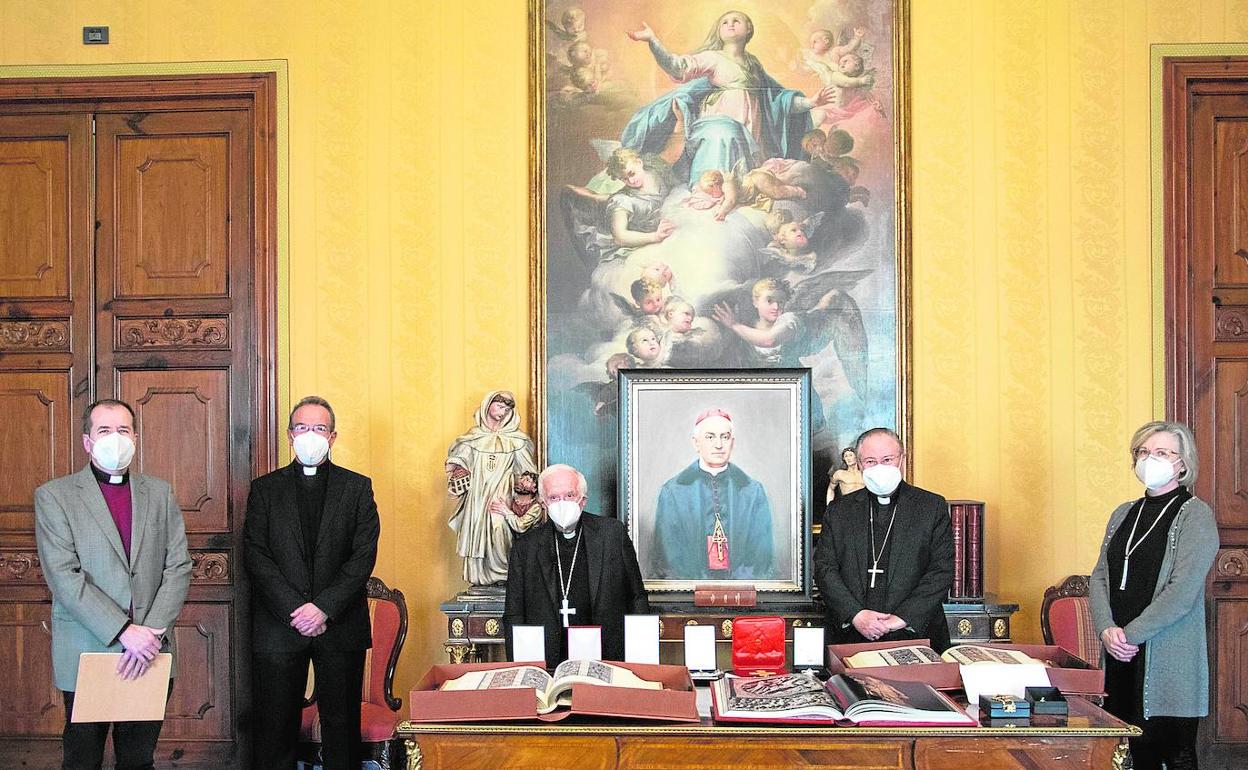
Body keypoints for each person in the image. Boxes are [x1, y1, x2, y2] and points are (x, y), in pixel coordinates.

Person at [34, 399, 191, 770]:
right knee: (82, 759)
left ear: (135, 437)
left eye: (123, 430)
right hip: (89, 648)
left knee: (138, 759)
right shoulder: (55, 496)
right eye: (104, 430)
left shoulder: (159, 492)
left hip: (150, 650)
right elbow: (64, 577)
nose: (115, 438)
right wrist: (123, 631)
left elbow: (178, 565)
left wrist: (149, 632)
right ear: (87, 441)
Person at [244, 396, 380, 770]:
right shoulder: (264, 490)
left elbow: (362, 557)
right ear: (290, 435)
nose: (310, 435)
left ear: (333, 436)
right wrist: (295, 608)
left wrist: (323, 608)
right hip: (279, 625)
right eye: (302, 427)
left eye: (319, 428)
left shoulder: (357, 488)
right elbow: (256, 554)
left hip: (339, 624)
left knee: (341, 726)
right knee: (275, 727)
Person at [1089, 421, 1219, 770]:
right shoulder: (1123, 513)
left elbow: (1182, 592)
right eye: (1144, 452)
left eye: (1162, 452)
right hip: (1118, 650)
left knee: (1170, 752)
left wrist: (1128, 636)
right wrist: (1106, 630)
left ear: (1182, 463)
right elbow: (1100, 575)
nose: (1151, 459)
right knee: (1124, 752)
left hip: (1165, 654)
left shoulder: (1195, 515)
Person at [623, 10, 836, 186]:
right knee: (722, 138)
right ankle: (704, 189)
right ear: (719, 31)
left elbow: (779, 100)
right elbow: (678, 66)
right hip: (716, 125)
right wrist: (653, 41)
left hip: (751, 132)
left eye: (736, 21)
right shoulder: (713, 57)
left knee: (742, 179)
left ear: (749, 29)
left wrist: (811, 102)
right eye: (725, 22)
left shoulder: (753, 66)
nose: (730, 24)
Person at [814, 427, 954, 650]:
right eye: (870, 461)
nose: (879, 467)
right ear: (859, 464)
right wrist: (856, 615)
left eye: (887, 459)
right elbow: (824, 568)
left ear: (902, 460)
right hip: (851, 636)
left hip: (915, 636)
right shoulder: (839, 511)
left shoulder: (931, 507)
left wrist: (900, 619)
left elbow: (941, 571)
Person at [503, 464, 649, 667]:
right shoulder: (526, 547)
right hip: (548, 661)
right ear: (543, 503)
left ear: (583, 500)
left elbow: (637, 597)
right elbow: (514, 613)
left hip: (607, 658)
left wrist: (639, 662)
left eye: (569, 495)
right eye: (554, 497)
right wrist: (521, 667)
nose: (562, 503)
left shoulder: (612, 534)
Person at [651, 409, 776, 580]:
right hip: (688, 593)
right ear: (696, 443)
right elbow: (667, 558)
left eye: (724, 437)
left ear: (732, 442)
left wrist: (733, 590)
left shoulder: (753, 491)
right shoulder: (673, 491)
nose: (719, 444)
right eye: (710, 437)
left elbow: (762, 557)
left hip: (742, 595)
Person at [445, 391, 539, 585]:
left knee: (499, 529)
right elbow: (460, 460)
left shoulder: (517, 441)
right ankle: (479, 578)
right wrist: (459, 472)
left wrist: (525, 491)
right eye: (499, 406)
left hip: (503, 495)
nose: (502, 412)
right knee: (476, 530)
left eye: (507, 409)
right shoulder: (473, 437)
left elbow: (528, 471)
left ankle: (502, 575)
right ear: (488, 405)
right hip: (478, 496)